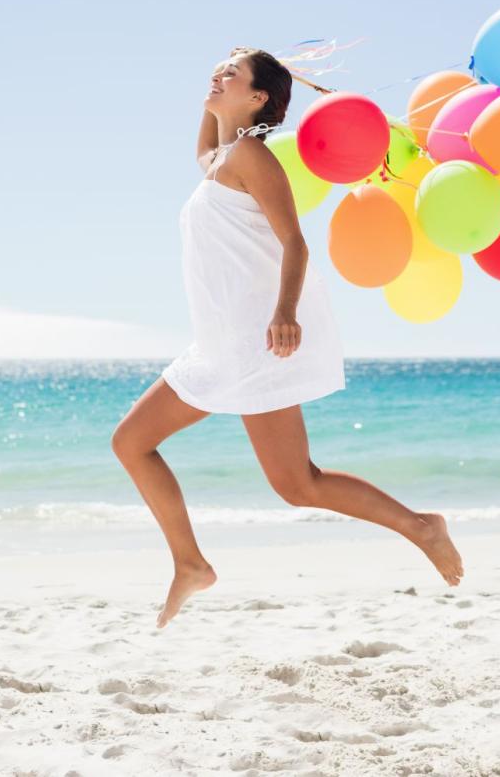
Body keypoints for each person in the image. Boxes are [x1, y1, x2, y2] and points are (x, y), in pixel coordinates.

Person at [111, 47, 463, 628]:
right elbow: (204, 142)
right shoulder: (221, 156)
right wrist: (235, 77)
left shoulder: (252, 155)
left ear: (256, 100)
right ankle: (190, 564)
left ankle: (421, 526)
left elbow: (295, 242)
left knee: (299, 484)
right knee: (132, 444)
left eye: (232, 74)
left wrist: (285, 312)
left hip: (257, 341)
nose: (218, 76)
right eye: (218, 69)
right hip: (217, 346)